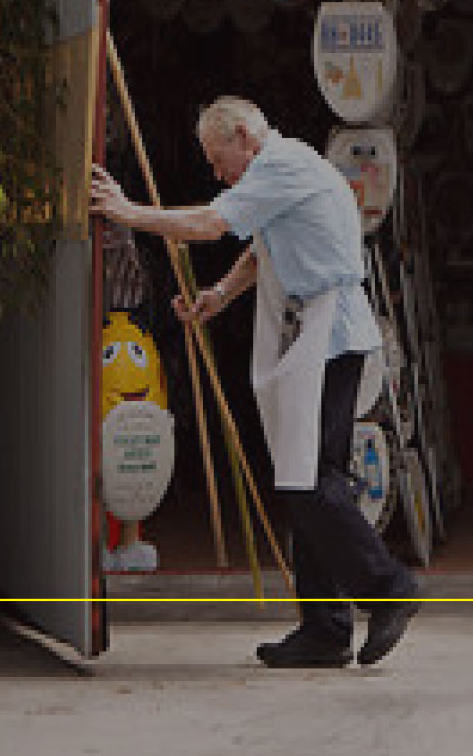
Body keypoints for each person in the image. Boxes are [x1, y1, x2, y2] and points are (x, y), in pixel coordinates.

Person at [89, 96, 420, 669]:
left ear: (244, 135)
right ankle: (325, 628)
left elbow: (210, 223)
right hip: (327, 335)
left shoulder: (281, 164)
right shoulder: (285, 171)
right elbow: (261, 247)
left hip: (331, 337)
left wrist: (128, 212)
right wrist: (219, 295)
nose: (218, 174)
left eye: (220, 161)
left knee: (310, 481)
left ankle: (387, 587)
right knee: (306, 481)